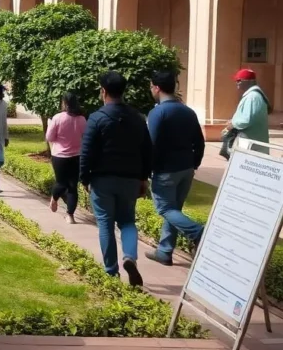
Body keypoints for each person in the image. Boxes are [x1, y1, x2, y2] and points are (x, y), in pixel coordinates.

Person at [80, 71, 151, 286]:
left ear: (103, 91)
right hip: (130, 179)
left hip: (103, 181)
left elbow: (87, 151)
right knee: (127, 221)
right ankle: (130, 256)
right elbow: (147, 150)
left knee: (105, 224)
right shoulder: (138, 118)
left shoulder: (97, 118)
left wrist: (84, 178)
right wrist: (144, 178)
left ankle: (111, 272)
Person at [145, 71, 206, 265]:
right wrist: (194, 163)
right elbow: (200, 142)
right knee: (174, 210)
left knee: (165, 208)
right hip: (186, 169)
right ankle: (164, 252)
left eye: (151, 86)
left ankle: (198, 232)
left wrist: (146, 170)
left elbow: (151, 145)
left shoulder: (158, 112)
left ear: (157, 88)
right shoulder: (187, 111)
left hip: (165, 171)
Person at [45, 92, 87, 224]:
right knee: (73, 186)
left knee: (61, 182)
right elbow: (85, 137)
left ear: (65, 103)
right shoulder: (82, 119)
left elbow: (49, 137)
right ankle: (70, 215)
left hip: (59, 156)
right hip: (76, 156)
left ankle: (54, 198)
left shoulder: (58, 118)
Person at [226, 68, 271, 154]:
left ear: (249, 81)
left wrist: (233, 124)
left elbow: (246, 120)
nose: (236, 82)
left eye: (239, 80)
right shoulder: (253, 96)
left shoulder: (253, 97)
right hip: (252, 143)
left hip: (251, 145)